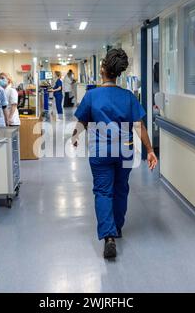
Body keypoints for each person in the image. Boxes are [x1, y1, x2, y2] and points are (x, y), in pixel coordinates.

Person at [72, 49, 158, 259]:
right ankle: (117, 228)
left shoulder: (92, 95)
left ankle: (108, 235)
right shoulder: (128, 96)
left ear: (102, 70)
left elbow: (81, 121)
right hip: (125, 151)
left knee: (103, 191)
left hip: (101, 152)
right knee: (121, 190)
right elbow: (139, 126)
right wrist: (150, 150)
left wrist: (74, 137)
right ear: (118, 73)